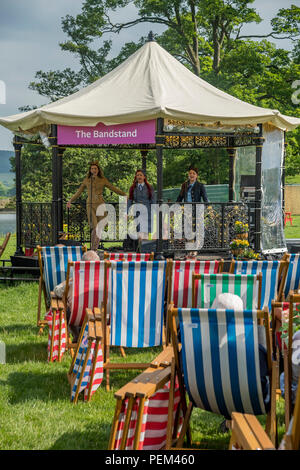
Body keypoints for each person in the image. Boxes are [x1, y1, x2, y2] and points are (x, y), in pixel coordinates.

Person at [66, 161, 127, 250]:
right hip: (90, 205)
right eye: (92, 169)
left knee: (99, 228)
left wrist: (124, 194)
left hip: (100, 205)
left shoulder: (103, 180)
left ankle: (95, 249)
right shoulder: (87, 180)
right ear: (90, 170)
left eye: (95, 169)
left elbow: (113, 188)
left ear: (98, 170)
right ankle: (92, 249)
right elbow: (79, 192)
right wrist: (70, 200)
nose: (94, 170)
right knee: (95, 228)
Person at [53, 250, 100, 342]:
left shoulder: (74, 281)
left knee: (65, 309)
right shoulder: (104, 282)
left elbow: (57, 290)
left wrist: (66, 282)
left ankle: (76, 335)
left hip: (76, 317)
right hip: (98, 315)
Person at [176, 166, 208, 257]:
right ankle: (190, 249)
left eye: (193, 173)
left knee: (197, 230)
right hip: (187, 210)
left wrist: (208, 207)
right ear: (188, 175)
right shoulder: (184, 185)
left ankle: (196, 249)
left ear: (196, 175)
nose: (191, 175)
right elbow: (180, 197)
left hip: (197, 210)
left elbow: (205, 198)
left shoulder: (200, 185)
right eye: (190, 173)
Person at [128, 169, 156, 240]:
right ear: (136, 177)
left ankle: (145, 249)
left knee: (146, 232)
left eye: (141, 175)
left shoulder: (150, 187)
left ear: (144, 177)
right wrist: (127, 212)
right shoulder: (133, 188)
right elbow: (130, 200)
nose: (139, 177)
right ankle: (140, 249)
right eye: (137, 175)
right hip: (137, 212)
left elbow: (153, 200)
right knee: (139, 232)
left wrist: (155, 211)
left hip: (147, 212)